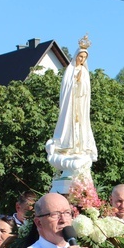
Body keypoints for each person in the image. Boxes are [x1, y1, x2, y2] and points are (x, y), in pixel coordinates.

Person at [45, 35, 97, 179]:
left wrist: (81, 83)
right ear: (76, 56)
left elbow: (86, 92)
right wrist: (75, 82)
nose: (82, 60)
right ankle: (68, 147)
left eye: (84, 58)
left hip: (80, 105)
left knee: (81, 127)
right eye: (80, 56)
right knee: (69, 126)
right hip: (70, 105)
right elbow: (66, 89)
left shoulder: (85, 72)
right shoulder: (70, 70)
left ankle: (80, 148)